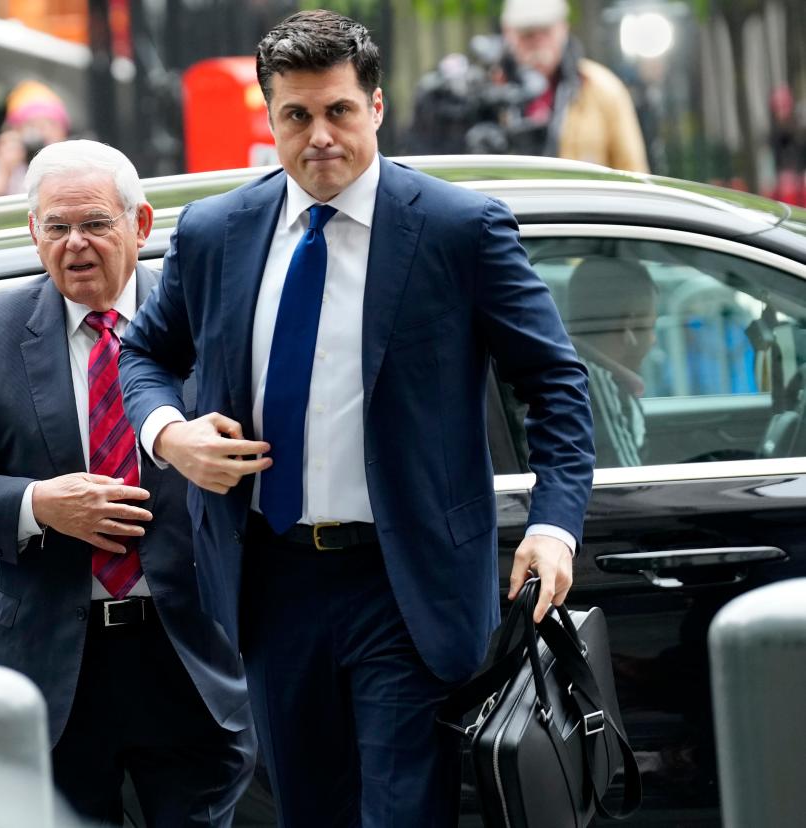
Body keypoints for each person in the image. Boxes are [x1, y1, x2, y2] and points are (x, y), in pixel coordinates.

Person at [119, 10, 594, 826]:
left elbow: (554, 383)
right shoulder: (215, 233)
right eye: (296, 116)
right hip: (270, 583)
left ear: (375, 107)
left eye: (338, 111)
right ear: (270, 119)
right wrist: (170, 433)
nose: (319, 137)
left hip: (403, 585)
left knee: (401, 813)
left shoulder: (456, 230)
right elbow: (143, 355)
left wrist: (554, 526)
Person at [0, 140, 255, 826]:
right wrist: (38, 505)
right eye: (56, 226)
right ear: (33, 231)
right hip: (51, 666)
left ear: (142, 225)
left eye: (95, 224)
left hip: (188, 654)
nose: (75, 244)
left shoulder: (212, 325)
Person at [501, 0, 649, 172]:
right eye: (527, 35)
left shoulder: (600, 88)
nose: (537, 44)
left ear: (563, 28)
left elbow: (633, 171)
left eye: (545, 32)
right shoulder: (491, 94)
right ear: (508, 34)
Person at [567, 257, 658, 467]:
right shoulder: (601, 387)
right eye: (651, 326)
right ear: (630, 325)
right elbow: (630, 490)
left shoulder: (564, 369)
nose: (654, 340)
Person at [0, 80, 71, 200]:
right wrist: (3, 170)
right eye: (31, 124)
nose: (42, 132)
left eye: (49, 124)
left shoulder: (77, 164)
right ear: (14, 132)